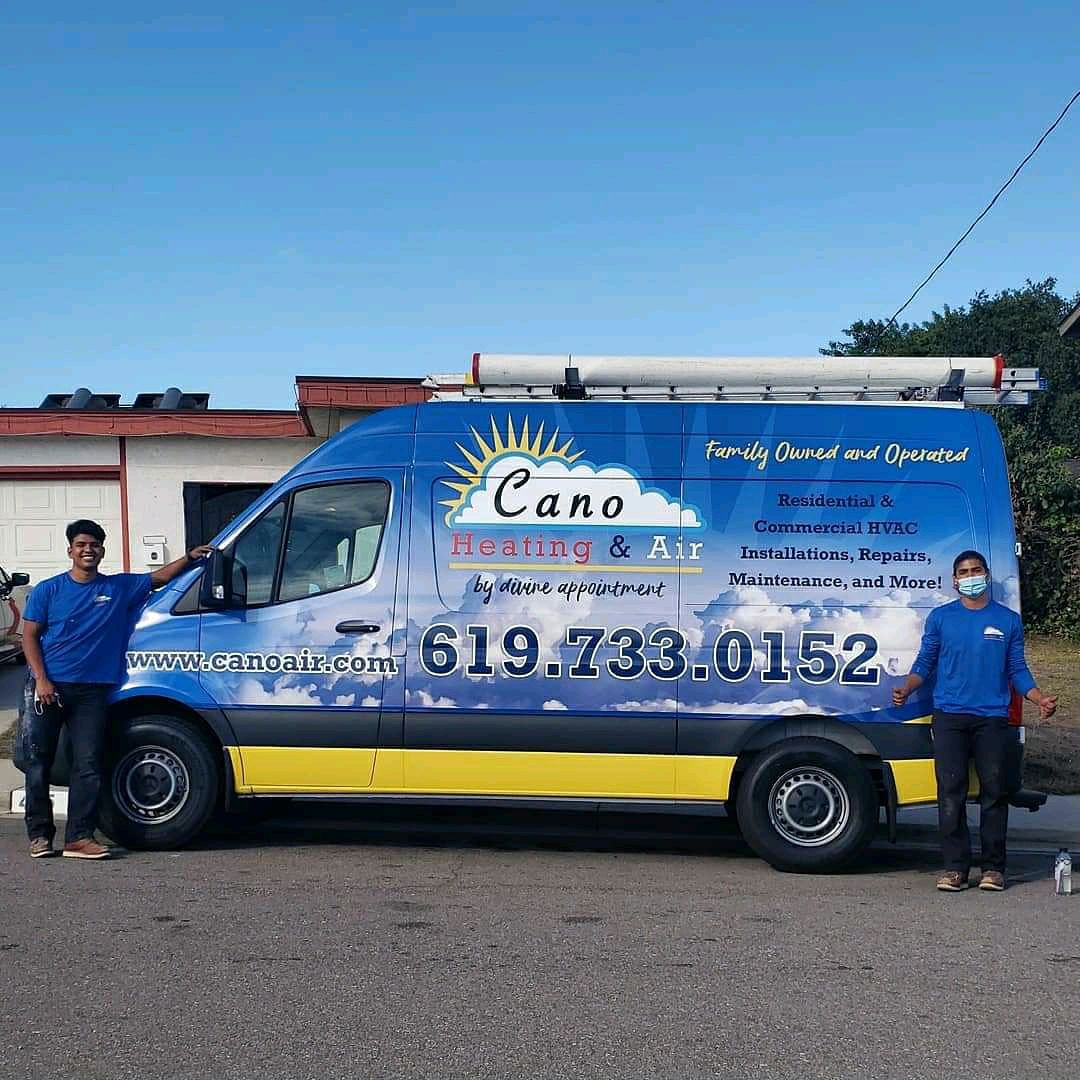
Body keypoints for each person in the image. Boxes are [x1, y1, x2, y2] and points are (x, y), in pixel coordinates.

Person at [21, 520, 212, 860]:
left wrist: (190, 557)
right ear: (70, 550)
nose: (88, 550)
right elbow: (30, 637)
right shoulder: (48, 590)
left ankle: (79, 838)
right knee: (39, 763)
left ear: (102, 550)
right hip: (50, 687)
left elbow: (160, 578)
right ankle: (39, 836)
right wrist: (42, 679)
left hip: (93, 692)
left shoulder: (118, 587)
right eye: (81, 544)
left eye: (94, 545)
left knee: (89, 764)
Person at [893, 550, 1057, 892]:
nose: (971, 576)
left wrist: (1038, 697)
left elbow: (1017, 669)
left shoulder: (1007, 620)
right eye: (964, 572)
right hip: (949, 717)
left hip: (992, 719)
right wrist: (907, 688)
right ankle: (955, 869)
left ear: (986, 574)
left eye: (976, 570)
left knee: (994, 793)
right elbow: (925, 662)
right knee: (950, 793)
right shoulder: (941, 618)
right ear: (955, 580)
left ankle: (993, 869)